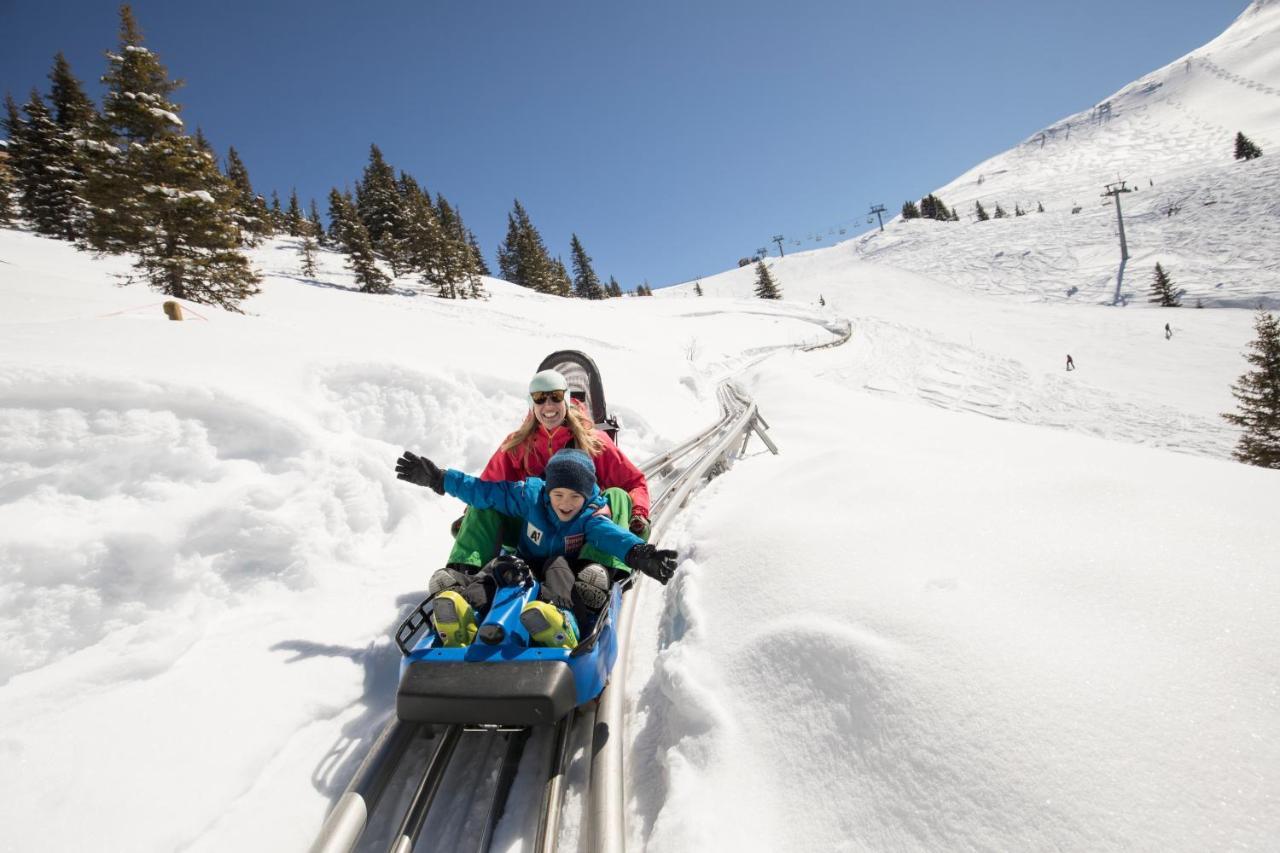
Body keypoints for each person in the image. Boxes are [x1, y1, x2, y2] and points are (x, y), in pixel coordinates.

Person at [395, 447, 678, 649]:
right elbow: (484, 492)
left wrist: (643, 555)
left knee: (557, 569)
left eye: (574, 497)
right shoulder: (528, 496)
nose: (566, 503)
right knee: (494, 572)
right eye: (558, 495)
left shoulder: (590, 515)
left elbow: (614, 536)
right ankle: (463, 612)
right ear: (547, 491)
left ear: (587, 495)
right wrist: (439, 479)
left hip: (565, 569)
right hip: (526, 563)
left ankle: (561, 624)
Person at [444, 368, 650, 582]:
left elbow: (634, 483)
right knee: (484, 503)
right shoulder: (517, 444)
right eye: (540, 398)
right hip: (532, 534)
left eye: (556, 396)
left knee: (617, 495)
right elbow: (488, 487)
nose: (548, 405)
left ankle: (597, 571)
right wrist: (470, 518)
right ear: (531, 403)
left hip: (583, 533)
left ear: (567, 398)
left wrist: (638, 514)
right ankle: (464, 571)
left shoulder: (594, 442)